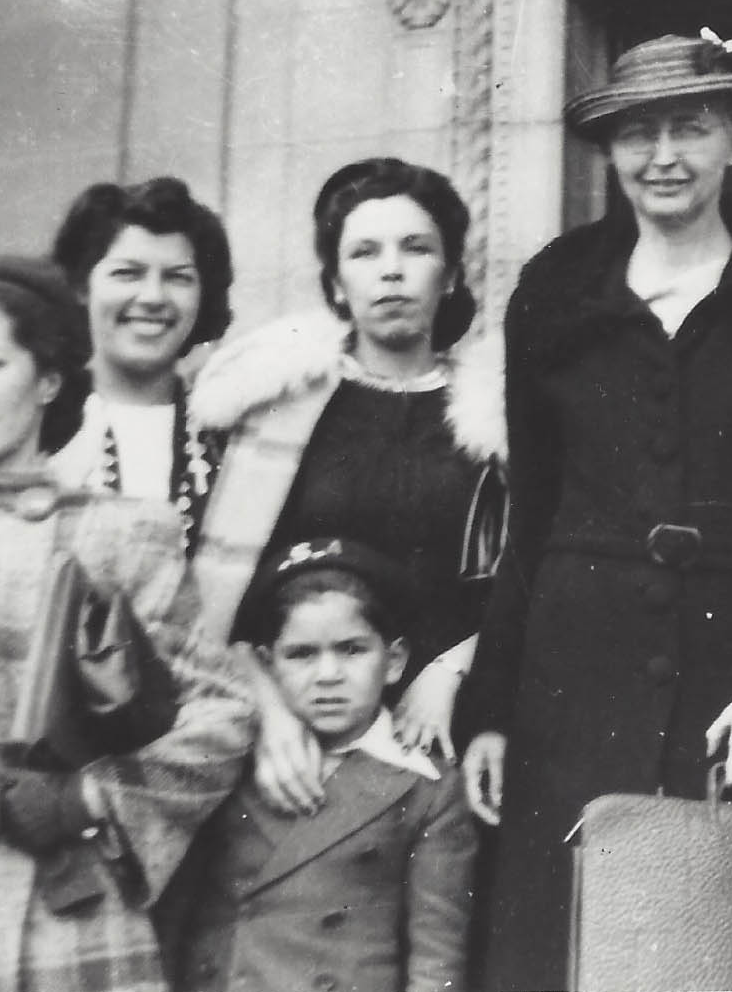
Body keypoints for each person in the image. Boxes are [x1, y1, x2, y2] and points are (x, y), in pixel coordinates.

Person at [458, 30, 732, 990]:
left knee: (715, 949)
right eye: (635, 134)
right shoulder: (556, 298)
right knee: (562, 946)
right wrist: (492, 704)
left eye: (690, 128)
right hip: (572, 678)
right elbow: (532, 515)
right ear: (607, 154)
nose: (662, 157)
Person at [0, 256, 253, 992]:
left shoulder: (121, 532)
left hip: (56, 903)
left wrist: (89, 799)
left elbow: (222, 716)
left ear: (47, 379)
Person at [188, 157, 504, 813]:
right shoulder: (281, 409)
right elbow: (223, 602)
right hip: (304, 732)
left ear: (447, 276)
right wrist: (271, 713)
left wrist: (450, 670)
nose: (391, 269)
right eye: (364, 252)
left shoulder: (495, 414)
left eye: (416, 248)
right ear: (335, 281)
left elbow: (523, 579)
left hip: (455, 731)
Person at [164, 537, 477, 992]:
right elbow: (175, 917)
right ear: (269, 665)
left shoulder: (427, 788)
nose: (328, 675)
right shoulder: (229, 758)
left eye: (351, 650)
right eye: (302, 654)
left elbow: (437, 960)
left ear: (393, 662)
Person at [0, 177, 234, 554]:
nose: (153, 297)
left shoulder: (227, 435)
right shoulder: (16, 425)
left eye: (178, 278)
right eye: (127, 273)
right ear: (81, 287)